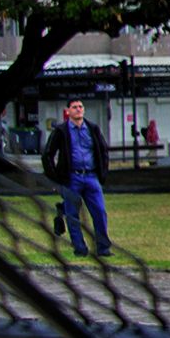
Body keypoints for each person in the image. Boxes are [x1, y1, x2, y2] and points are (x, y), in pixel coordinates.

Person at [43, 97, 114, 258]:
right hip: (72, 178)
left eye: (80, 106)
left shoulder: (92, 129)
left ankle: (103, 247)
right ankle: (80, 248)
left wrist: (102, 173)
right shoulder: (61, 131)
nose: (78, 109)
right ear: (68, 111)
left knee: (99, 212)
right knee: (73, 215)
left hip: (90, 176)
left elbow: (102, 151)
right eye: (74, 107)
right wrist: (55, 179)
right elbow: (48, 154)